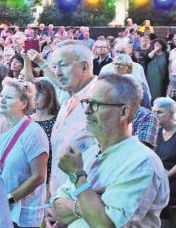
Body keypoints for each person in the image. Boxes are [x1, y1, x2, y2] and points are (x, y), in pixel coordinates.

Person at [48, 73, 169, 227]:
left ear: (124, 112)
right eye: (87, 102)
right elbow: (57, 209)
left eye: (96, 104)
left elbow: (105, 225)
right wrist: (89, 204)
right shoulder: (90, 153)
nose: (87, 111)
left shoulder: (141, 162)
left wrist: (78, 177)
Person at [28, 41, 98, 196]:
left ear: (84, 67)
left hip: (81, 206)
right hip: (59, 200)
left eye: (63, 65)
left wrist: (73, 207)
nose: (58, 72)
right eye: (55, 67)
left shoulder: (102, 101)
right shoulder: (69, 100)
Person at [0, 78, 49, 227]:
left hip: (18, 216)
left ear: (23, 103)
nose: (2, 100)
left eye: (9, 97)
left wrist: (8, 199)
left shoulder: (34, 133)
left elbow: (38, 177)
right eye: (2, 96)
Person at [31, 78, 59, 180]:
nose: (34, 98)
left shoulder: (58, 120)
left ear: (49, 96)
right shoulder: (26, 119)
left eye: (38, 95)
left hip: (50, 171)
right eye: (32, 94)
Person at [153, 97, 176, 224]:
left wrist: (165, 176)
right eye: (154, 112)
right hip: (158, 176)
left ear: (171, 113)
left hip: (171, 178)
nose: (155, 115)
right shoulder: (156, 132)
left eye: (159, 112)